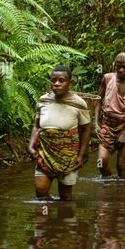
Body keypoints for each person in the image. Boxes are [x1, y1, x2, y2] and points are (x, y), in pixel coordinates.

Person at [28, 65, 91, 201]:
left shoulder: (79, 104)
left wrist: (81, 155)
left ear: (70, 83)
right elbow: (36, 125)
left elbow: (86, 130)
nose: (56, 84)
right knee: (40, 192)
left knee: (66, 196)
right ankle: (47, 220)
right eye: (53, 80)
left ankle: (63, 220)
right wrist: (31, 145)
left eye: (61, 80)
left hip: (68, 157)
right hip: (44, 154)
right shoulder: (43, 100)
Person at [94, 52, 125, 178]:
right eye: (118, 66)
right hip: (108, 126)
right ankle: (109, 186)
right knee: (101, 162)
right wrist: (95, 123)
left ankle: (122, 192)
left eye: (124, 67)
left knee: (121, 166)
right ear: (114, 65)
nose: (121, 70)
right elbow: (98, 99)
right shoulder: (107, 78)